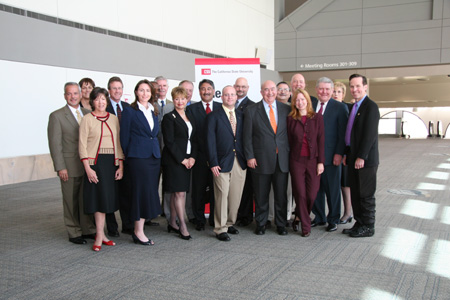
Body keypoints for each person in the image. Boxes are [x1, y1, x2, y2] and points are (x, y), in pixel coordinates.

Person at [48, 82, 96, 245]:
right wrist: (60, 167)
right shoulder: (57, 116)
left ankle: (88, 229)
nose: (73, 96)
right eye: (69, 94)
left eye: (76, 93)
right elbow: (55, 144)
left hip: (87, 166)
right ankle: (74, 231)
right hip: (69, 165)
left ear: (80, 94)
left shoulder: (88, 113)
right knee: (70, 200)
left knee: (85, 199)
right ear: (64, 96)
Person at [79, 87, 124, 251]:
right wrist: (87, 168)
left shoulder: (113, 118)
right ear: (92, 101)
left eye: (103, 99)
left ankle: (102, 235)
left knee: (107, 200)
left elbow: (118, 143)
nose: (100, 102)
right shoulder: (87, 119)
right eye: (97, 99)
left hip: (111, 163)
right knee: (97, 200)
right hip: (94, 164)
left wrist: (121, 165)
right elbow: (82, 145)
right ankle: (99, 235)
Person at [243, 80, 290, 236]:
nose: (270, 93)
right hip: (260, 159)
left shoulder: (286, 109)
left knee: (281, 195)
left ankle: (281, 224)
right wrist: (250, 156)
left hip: (282, 159)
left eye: (272, 89)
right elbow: (247, 136)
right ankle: (261, 223)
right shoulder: (251, 110)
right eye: (266, 90)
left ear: (276, 91)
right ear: (261, 92)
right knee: (261, 194)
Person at [120, 79, 162, 246]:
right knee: (140, 193)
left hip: (153, 158)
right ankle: (138, 231)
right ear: (136, 92)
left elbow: (154, 135)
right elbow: (124, 138)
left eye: (148, 91)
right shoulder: (130, 111)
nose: (145, 93)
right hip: (138, 158)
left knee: (149, 192)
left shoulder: (153, 111)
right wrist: (128, 157)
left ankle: (140, 228)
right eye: (142, 90)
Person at [207, 86, 247, 241]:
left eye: (232, 94)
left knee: (235, 196)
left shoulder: (242, 115)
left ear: (236, 97)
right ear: (221, 97)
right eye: (226, 95)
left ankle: (230, 223)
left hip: (239, 161)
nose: (230, 97)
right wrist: (213, 162)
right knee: (222, 195)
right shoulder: (213, 116)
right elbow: (210, 141)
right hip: (220, 163)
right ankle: (220, 228)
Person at [343, 74, 380, 238]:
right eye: (352, 86)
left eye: (358, 86)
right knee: (356, 193)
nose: (354, 89)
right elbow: (350, 134)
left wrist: (361, 157)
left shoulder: (370, 107)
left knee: (365, 194)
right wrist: (347, 154)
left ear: (365, 87)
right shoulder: (354, 106)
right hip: (352, 156)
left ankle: (369, 226)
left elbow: (369, 135)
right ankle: (359, 222)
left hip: (365, 160)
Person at [311, 77, 348, 232]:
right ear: (316, 90)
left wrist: (339, 153)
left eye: (327, 89)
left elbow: (342, 133)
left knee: (332, 189)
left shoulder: (340, 107)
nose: (324, 92)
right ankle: (319, 217)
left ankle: (333, 219)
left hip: (332, 156)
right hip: (312, 157)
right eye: (321, 89)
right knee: (315, 188)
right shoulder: (310, 105)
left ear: (332, 91)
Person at [287, 88, 324, 237]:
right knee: (300, 194)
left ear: (307, 100)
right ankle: (306, 226)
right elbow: (289, 141)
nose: (300, 102)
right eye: (297, 100)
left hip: (313, 161)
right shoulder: (290, 119)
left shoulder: (317, 118)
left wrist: (321, 162)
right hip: (296, 161)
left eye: (303, 99)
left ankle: (299, 216)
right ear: (294, 103)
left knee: (311, 195)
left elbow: (321, 140)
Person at [162, 87, 197, 240]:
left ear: (187, 99)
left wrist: (192, 158)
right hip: (174, 161)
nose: (180, 101)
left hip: (188, 159)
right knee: (179, 193)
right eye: (177, 99)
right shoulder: (169, 118)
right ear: (173, 100)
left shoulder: (191, 116)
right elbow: (169, 142)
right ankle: (182, 225)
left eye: (183, 98)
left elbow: (195, 139)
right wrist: (182, 159)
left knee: (179, 192)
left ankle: (171, 222)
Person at [187, 79, 221, 231]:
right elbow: (191, 135)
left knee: (216, 190)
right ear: (199, 91)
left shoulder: (221, 108)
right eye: (202, 89)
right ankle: (199, 219)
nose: (206, 91)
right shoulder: (192, 109)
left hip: (218, 157)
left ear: (214, 91)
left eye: (209, 88)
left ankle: (215, 219)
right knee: (198, 190)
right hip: (199, 156)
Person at [105, 76, 132, 237]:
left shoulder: (128, 108)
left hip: (127, 156)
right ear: (109, 91)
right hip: (109, 156)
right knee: (110, 192)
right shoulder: (103, 107)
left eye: (119, 88)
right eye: (114, 88)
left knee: (126, 192)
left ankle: (127, 224)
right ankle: (112, 227)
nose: (117, 91)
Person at [233, 77, 255, 227]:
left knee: (246, 187)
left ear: (248, 88)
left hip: (245, 152)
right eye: (238, 87)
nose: (240, 89)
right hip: (229, 152)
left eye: (243, 87)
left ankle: (245, 217)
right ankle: (232, 216)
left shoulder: (253, 106)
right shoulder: (227, 104)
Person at [333, 82, 353, 224]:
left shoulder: (348, 108)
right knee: (334, 184)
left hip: (344, 153)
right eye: (333, 91)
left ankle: (348, 212)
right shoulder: (327, 108)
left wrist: (345, 153)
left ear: (343, 94)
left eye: (338, 92)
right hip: (331, 151)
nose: (335, 94)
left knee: (345, 184)